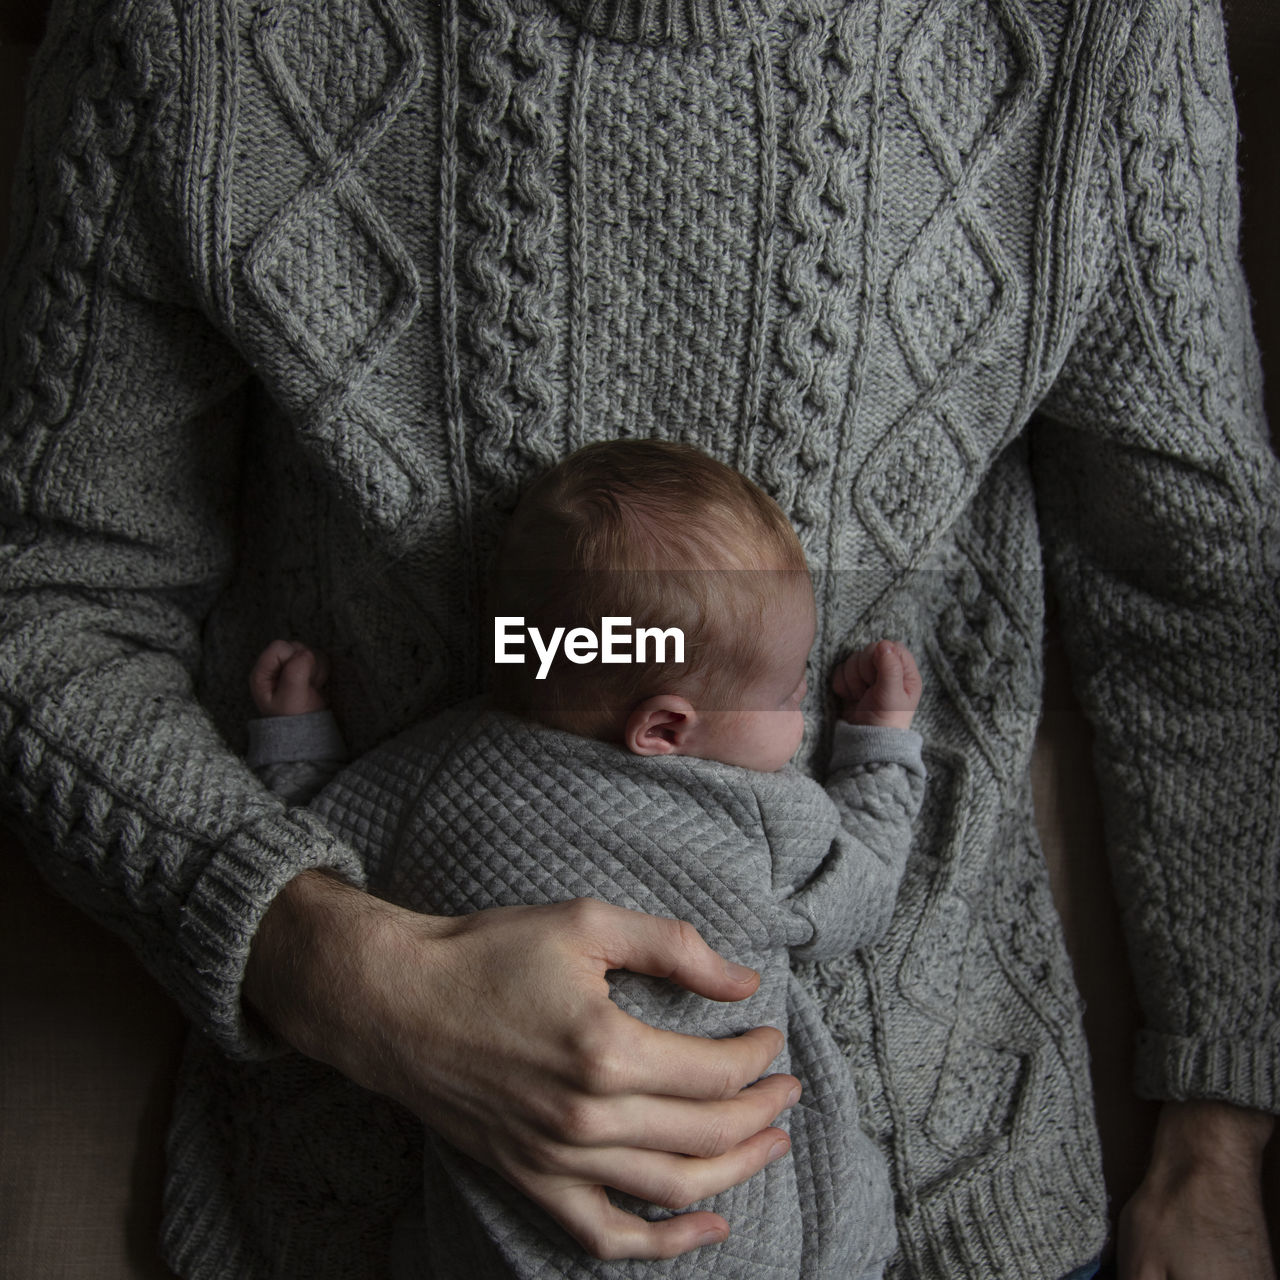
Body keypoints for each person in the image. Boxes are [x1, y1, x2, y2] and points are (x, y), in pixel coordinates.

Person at [0, 0, 1275, 1276]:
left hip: (929, 1183)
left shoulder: (1102, 32)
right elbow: (48, 588)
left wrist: (1214, 1134)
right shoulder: (190, 37)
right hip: (375, 1171)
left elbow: (1201, 595)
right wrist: (324, 957)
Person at [243, 439, 927, 1280]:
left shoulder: (429, 773)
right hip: (739, 1230)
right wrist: (879, 743)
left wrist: (294, 733)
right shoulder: (751, 807)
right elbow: (862, 893)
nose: (801, 706)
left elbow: (319, 849)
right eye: (790, 693)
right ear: (667, 729)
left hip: (508, 1240)